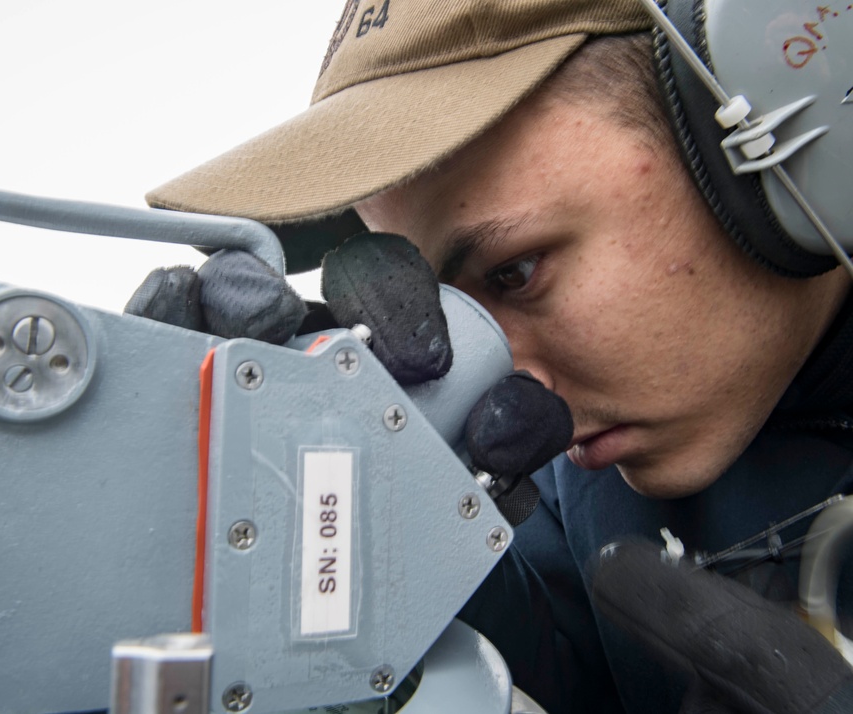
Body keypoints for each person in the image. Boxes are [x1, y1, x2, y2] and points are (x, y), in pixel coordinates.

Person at [133, 0, 853, 711]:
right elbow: (561, 673)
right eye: (447, 311)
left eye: (514, 273)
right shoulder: (557, 488)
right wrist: (371, 548)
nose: (503, 383)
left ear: (762, 121)